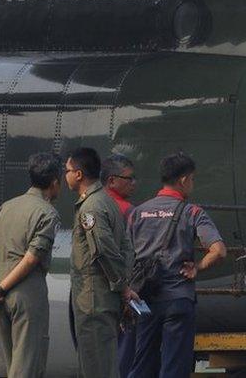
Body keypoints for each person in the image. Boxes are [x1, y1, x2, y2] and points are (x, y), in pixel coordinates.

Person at [128, 152, 226, 378]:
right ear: (183, 180)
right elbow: (219, 251)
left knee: (141, 363)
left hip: (144, 299)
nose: (192, 184)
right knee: (174, 368)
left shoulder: (138, 213)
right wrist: (198, 267)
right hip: (178, 299)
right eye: (192, 179)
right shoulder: (192, 212)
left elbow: (126, 255)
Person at [0, 152, 62, 377]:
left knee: (13, 363)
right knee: (28, 366)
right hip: (27, 295)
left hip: (1, 297)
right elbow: (32, 258)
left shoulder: (5, 207)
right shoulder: (47, 213)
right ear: (54, 182)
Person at [66, 147, 137, 378]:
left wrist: (122, 287)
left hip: (93, 300)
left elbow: (104, 251)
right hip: (104, 299)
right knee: (105, 364)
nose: (64, 175)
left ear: (78, 174)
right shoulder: (108, 202)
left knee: (95, 367)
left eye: (67, 170)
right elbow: (126, 248)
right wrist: (124, 283)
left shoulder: (91, 207)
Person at [101, 153, 138, 376]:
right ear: (112, 180)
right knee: (125, 349)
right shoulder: (127, 210)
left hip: (98, 292)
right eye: (129, 178)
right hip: (122, 288)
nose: (134, 183)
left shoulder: (90, 206)